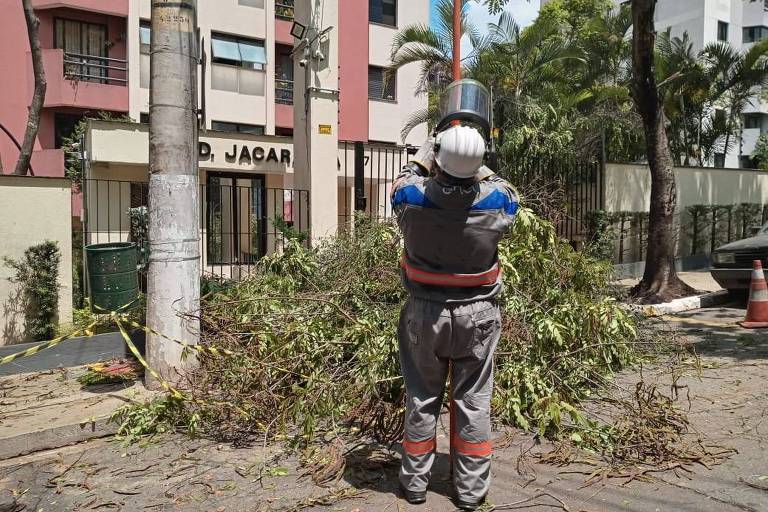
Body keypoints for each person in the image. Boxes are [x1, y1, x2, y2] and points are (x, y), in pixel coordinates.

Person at [390, 79, 519, 511]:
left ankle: (414, 487)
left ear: (438, 154)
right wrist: (479, 162)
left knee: (422, 396)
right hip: (478, 317)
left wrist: (427, 157)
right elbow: (506, 191)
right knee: (473, 402)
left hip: (424, 316)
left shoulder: (411, 199)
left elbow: (403, 183)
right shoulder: (497, 202)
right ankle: (470, 492)